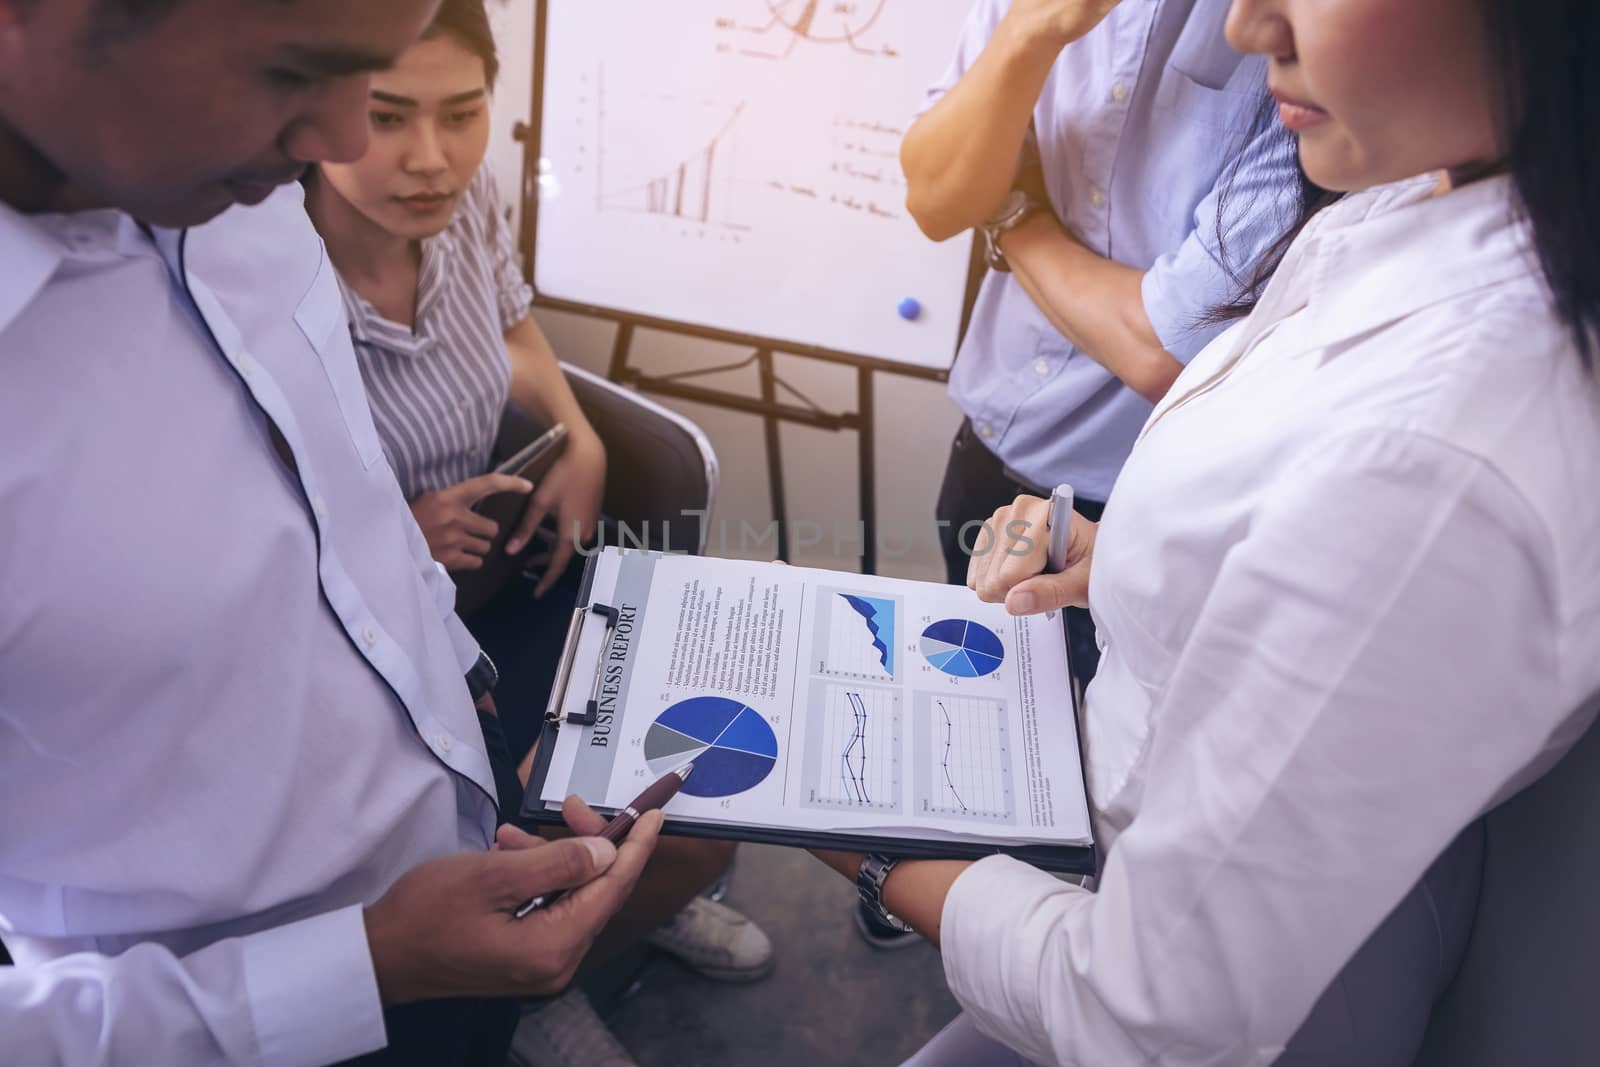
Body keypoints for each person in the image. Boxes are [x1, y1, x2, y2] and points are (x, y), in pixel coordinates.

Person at [816, 0, 1600, 1063]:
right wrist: (1133, 554)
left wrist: (842, 823)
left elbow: (1141, 1019)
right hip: (1177, 860)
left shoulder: (1437, 453)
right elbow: (936, 191)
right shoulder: (1412, 196)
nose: (1246, 26)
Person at [0, 1, 662, 1063]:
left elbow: (333, 479)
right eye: (291, 72)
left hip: (461, 830)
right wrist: (359, 970)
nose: (347, 142)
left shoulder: (242, 189)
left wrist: (455, 669)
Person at [298, 3, 774, 1058]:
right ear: (315, 109)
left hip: (508, 576)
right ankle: (533, 982)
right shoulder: (271, 283)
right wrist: (392, 543)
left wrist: (576, 435)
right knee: (578, 821)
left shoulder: (460, 206)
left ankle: (610, 924)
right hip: (381, 649)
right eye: (386, 116)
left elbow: (513, 324)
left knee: (706, 777)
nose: (431, 159)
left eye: (462, 114)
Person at [904, 0, 1298, 692]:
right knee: (961, 728)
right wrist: (1031, 29)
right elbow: (935, 197)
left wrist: (1011, 212)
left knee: (1085, 778)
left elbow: (1169, 350)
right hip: (985, 460)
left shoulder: (1278, 31)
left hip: (1128, 517)